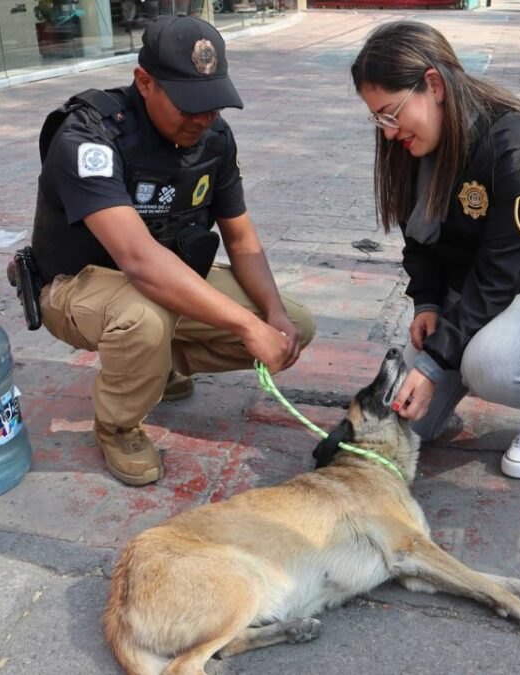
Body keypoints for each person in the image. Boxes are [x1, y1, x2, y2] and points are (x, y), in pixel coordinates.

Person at [29, 15, 314, 486]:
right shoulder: (90, 136)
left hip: (161, 281)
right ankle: (118, 423)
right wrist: (244, 323)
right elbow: (139, 262)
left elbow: (241, 240)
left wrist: (273, 314)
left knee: (295, 326)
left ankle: (155, 366)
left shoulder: (214, 138)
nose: (203, 118)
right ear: (144, 82)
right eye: (189, 105)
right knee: (143, 317)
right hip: (76, 286)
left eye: (213, 105)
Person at [350, 21, 520, 479]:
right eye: (379, 120)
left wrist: (433, 364)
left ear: (433, 84)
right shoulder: (416, 148)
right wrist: (428, 301)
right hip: (469, 298)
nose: (388, 133)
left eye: (391, 113)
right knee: (399, 424)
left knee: (491, 363)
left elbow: (499, 275)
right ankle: (460, 361)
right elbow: (419, 242)